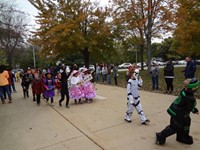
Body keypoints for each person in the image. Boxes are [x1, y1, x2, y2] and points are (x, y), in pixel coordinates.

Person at [156, 78, 199, 145]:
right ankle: (160, 136)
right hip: (178, 113)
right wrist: (194, 110)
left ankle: (182, 137)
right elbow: (189, 107)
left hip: (180, 112)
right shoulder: (189, 98)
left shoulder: (185, 92)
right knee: (175, 127)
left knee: (186, 123)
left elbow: (187, 106)